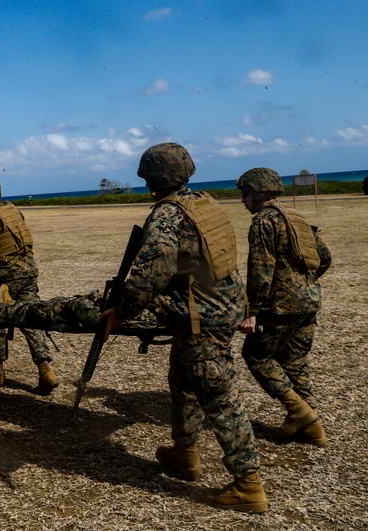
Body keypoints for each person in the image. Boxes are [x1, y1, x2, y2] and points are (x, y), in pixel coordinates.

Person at [107, 143, 266, 513]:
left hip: (200, 318)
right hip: (222, 306)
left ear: (151, 177)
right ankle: (184, 453)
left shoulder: (166, 217)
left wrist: (121, 310)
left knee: (221, 399)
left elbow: (150, 276)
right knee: (182, 381)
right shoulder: (206, 204)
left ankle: (249, 486)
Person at [236, 168, 333, 447]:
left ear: (259, 193)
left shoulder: (263, 222)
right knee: (294, 362)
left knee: (256, 356)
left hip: (280, 306)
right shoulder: (296, 216)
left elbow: (260, 271)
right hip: (309, 301)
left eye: (246, 194)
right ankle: (311, 426)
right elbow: (324, 258)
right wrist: (305, 284)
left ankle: (299, 412)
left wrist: (251, 311)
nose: (243, 200)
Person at [0, 174, 57, 395]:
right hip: (28, 271)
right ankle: (46, 370)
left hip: (6, 276)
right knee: (30, 316)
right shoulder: (13, 209)